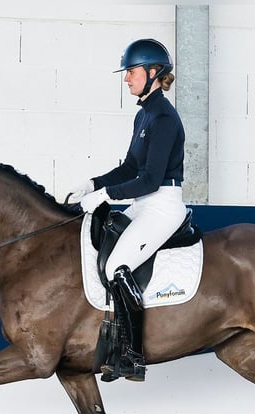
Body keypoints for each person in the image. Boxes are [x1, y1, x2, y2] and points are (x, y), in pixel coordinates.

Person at [70, 38, 187, 382]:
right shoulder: (145, 115)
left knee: (119, 265)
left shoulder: (164, 117)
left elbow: (150, 179)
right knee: (104, 252)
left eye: (132, 72)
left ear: (154, 73)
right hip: (144, 204)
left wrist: (106, 195)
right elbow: (131, 167)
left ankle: (132, 355)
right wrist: (93, 184)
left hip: (162, 206)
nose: (127, 79)